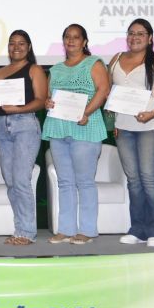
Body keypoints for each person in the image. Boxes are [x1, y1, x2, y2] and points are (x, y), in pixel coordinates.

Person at [42, 24, 110, 244]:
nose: (71, 41)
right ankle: (66, 229)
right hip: (59, 128)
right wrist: (48, 102)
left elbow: (103, 90)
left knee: (85, 182)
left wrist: (86, 112)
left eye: (76, 37)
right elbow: (47, 98)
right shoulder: (56, 69)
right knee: (65, 182)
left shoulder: (94, 63)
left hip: (85, 127)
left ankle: (88, 231)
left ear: (84, 41)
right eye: (67, 37)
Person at [110, 19, 154, 248]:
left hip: (151, 126)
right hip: (124, 127)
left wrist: (153, 112)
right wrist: (112, 121)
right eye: (131, 33)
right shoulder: (116, 59)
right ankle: (137, 228)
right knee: (133, 181)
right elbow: (110, 94)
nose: (134, 37)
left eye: (140, 33)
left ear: (150, 38)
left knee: (148, 178)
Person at [0, 30, 47, 245]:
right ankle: (20, 228)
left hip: (26, 126)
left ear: (29, 47)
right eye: (12, 43)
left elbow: (41, 101)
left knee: (21, 180)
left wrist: (17, 109)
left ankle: (26, 232)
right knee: (11, 181)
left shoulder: (34, 69)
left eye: (21, 43)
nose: (16, 47)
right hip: (3, 127)